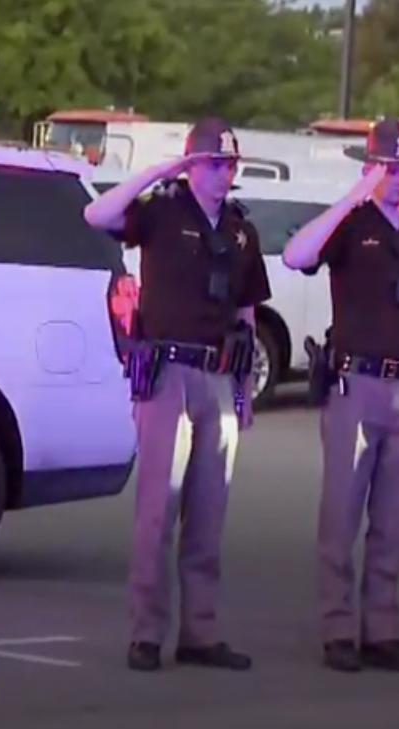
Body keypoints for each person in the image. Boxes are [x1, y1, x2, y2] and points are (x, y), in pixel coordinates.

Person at [83, 117, 271, 673]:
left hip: (218, 375)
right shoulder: (162, 211)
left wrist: (245, 389)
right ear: (192, 165)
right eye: (214, 162)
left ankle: (200, 632)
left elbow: (246, 309)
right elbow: (96, 214)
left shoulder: (240, 230)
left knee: (209, 513)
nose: (224, 173)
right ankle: (147, 632)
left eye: (230, 164)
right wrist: (161, 170)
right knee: (157, 511)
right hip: (167, 373)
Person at [281, 117, 399, 675]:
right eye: (388, 167)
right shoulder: (350, 225)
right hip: (355, 386)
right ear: (368, 168)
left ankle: (381, 627)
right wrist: (352, 196)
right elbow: (296, 256)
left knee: (396, 518)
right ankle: (339, 627)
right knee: (341, 514)